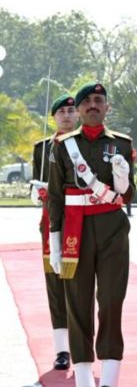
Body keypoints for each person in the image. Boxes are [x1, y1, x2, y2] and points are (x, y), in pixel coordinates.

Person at [47, 83, 135, 387]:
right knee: (78, 306)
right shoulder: (64, 146)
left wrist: (123, 181)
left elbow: (128, 196)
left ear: (107, 107)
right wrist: (54, 242)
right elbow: (56, 197)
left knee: (112, 302)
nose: (93, 105)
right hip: (75, 232)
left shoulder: (121, 144)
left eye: (99, 100)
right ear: (80, 110)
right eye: (87, 102)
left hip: (112, 229)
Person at [31, 93, 78, 371]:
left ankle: (81, 344)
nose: (67, 115)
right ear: (54, 117)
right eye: (62, 112)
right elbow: (40, 184)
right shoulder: (43, 148)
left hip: (83, 221)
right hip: (52, 223)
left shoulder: (86, 145)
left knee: (80, 284)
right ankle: (62, 349)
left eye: (72, 111)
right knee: (55, 286)